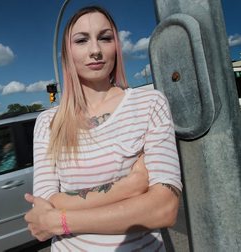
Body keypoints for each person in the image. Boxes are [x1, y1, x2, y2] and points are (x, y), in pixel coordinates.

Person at [24, 5, 182, 251]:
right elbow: (44, 211)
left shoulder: (149, 104)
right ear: (68, 53)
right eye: (82, 40)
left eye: (105, 38)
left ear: (116, 47)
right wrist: (130, 187)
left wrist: (62, 220)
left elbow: (163, 209)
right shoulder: (49, 122)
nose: (95, 50)